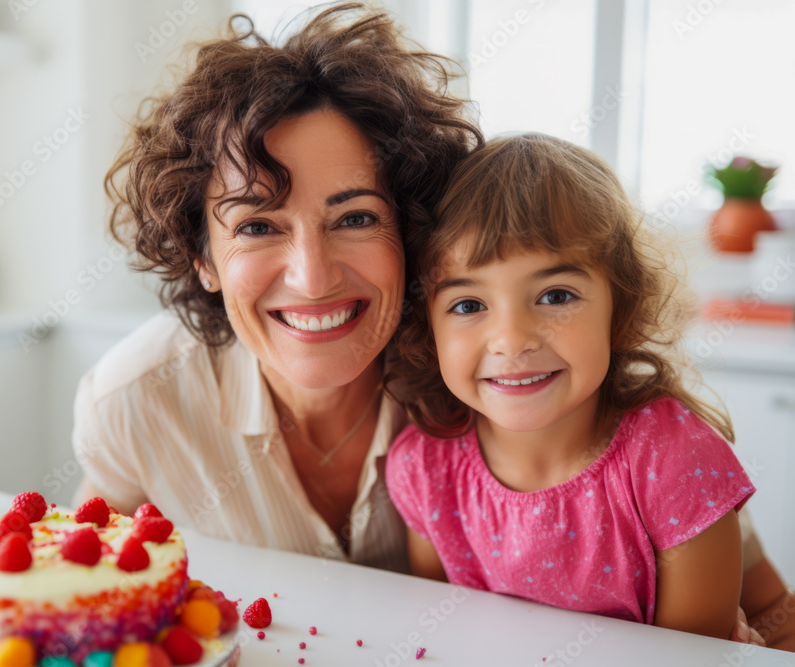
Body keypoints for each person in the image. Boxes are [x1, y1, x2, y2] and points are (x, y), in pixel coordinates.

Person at [71, 3, 788, 648]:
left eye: (355, 217)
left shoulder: (528, 398)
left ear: (409, 237)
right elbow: (80, 599)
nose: (312, 276)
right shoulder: (134, 403)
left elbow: (751, 594)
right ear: (202, 254)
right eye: (258, 224)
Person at [383, 133, 761, 640]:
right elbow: (437, 639)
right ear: (429, 330)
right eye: (468, 305)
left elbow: (690, 658)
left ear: (621, 311)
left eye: (556, 295)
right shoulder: (425, 470)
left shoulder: (675, 463)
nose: (512, 340)